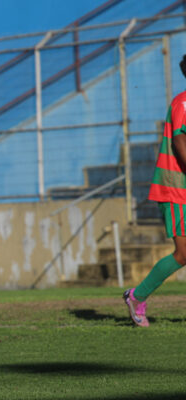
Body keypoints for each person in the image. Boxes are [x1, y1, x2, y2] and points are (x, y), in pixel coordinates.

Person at [123, 54, 186, 327]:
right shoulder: (183, 101)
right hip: (176, 188)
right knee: (184, 253)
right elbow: (180, 141)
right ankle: (138, 296)